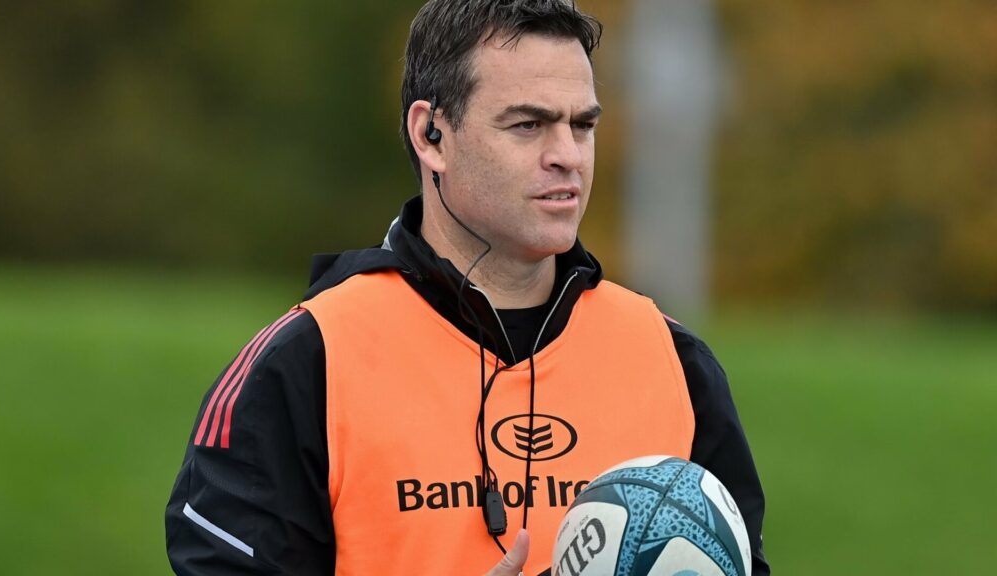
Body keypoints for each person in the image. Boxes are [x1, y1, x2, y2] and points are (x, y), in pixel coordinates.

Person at [165, 1, 770, 574]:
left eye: (582, 125)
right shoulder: (308, 361)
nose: (568, 155)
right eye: (529, 124)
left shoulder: (672, 361)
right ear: (431, 135)